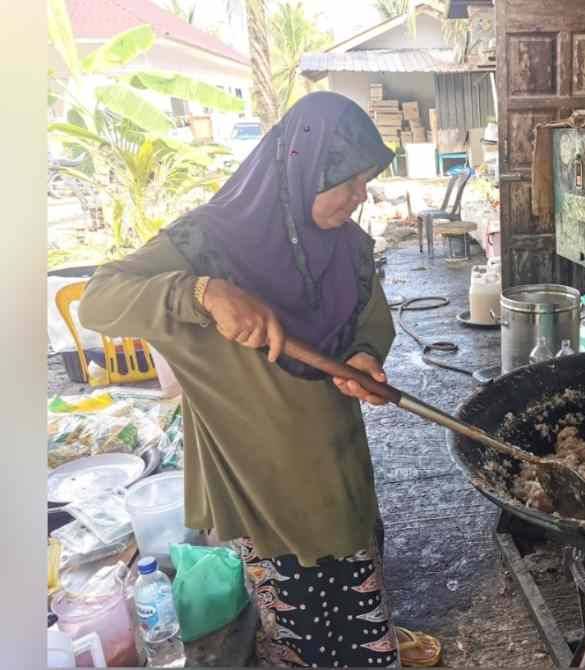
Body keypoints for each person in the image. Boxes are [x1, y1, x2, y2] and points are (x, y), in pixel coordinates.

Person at [79, 92, 438, 668]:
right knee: (298, 619)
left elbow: (371, 319)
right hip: (257, 472)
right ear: (300, 169)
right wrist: (201, 293)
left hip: (335, 460)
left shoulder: (350, 247)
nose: (359, 197)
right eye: (346, 181)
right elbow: (99, 300)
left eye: (366, 181)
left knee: (359, 604)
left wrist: (366, 356)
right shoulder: (206, 243)